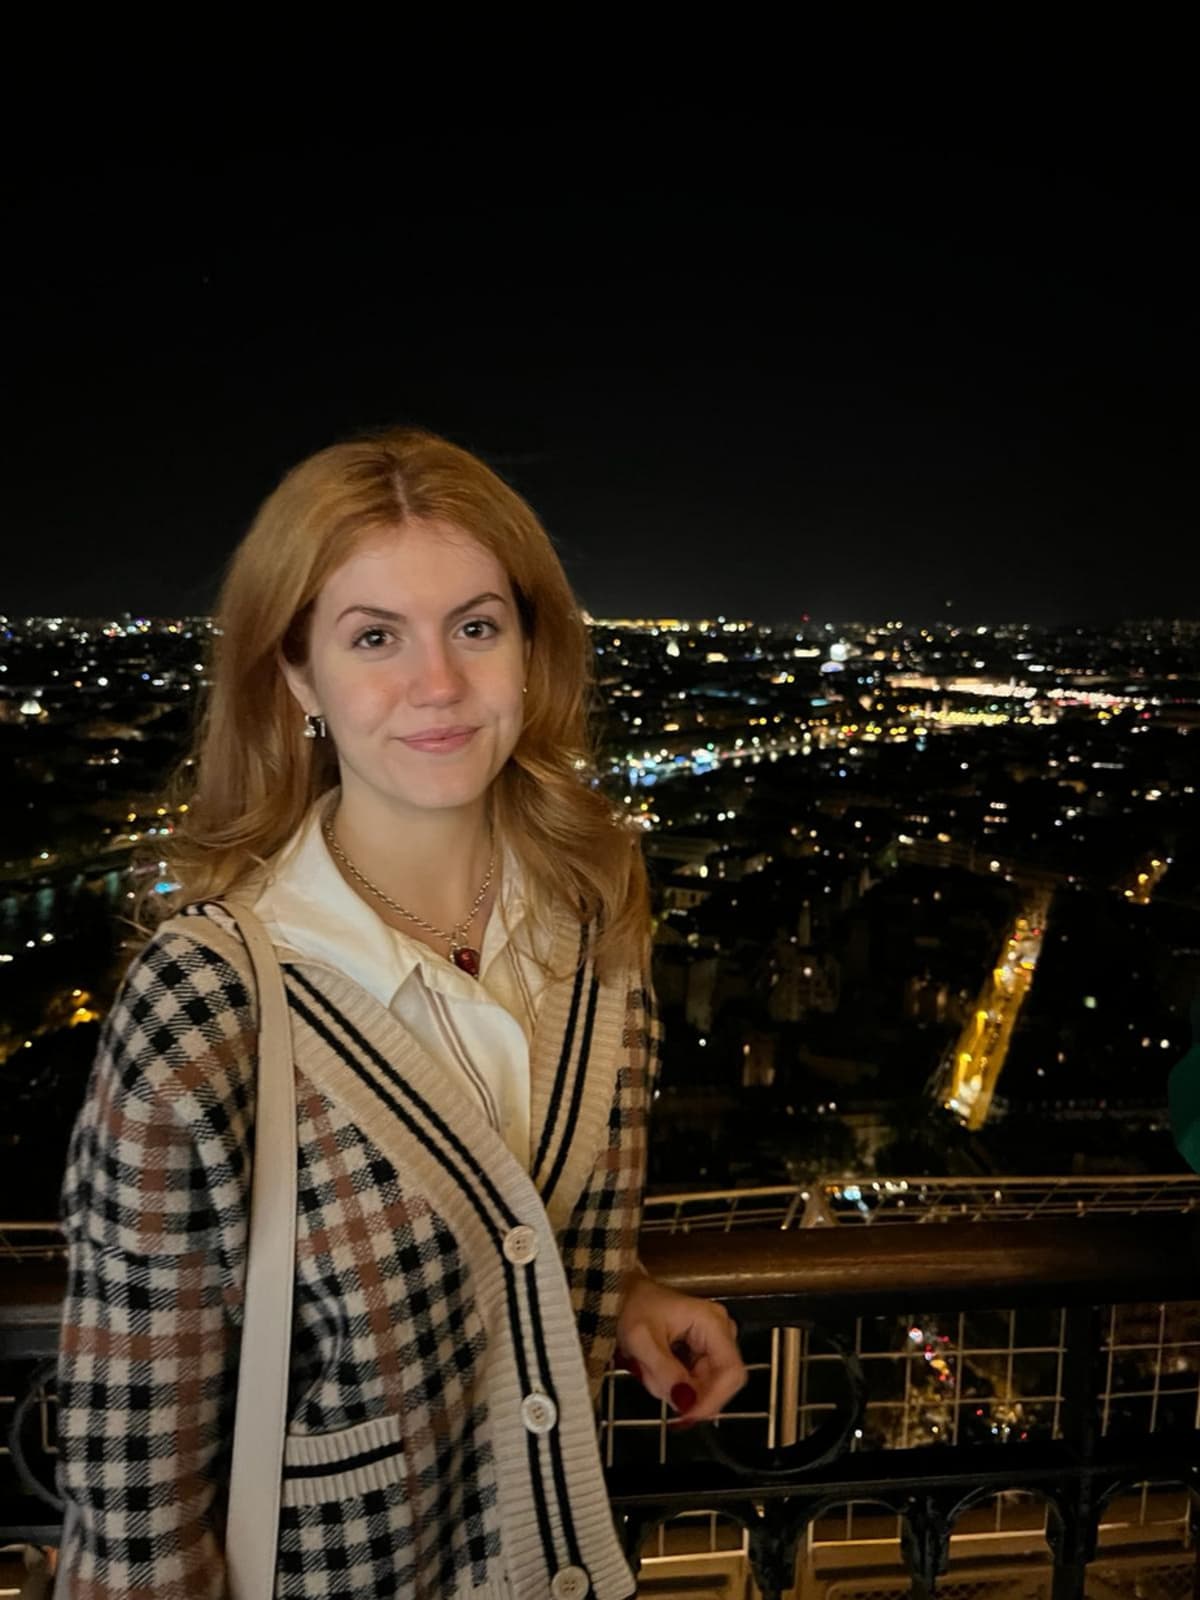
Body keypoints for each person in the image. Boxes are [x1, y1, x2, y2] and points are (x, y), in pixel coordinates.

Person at [54, 429, 746, 1599]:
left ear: (531, 648)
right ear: (297, 675)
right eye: (375, 636)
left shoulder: (593, 927)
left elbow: (493, 1222)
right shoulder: (211, 1006)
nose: (439, 681)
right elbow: (131, 1513)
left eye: (476, 625)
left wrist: (604, 1284)